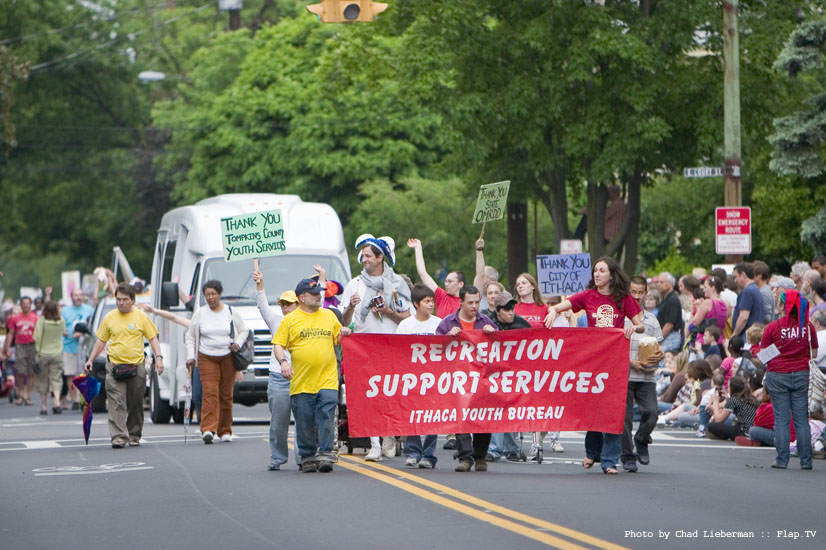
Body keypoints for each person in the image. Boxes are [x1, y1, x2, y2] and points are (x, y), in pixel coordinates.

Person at [544, 257, 644, 475]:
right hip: (593, 361)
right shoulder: (588, 296)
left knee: (614, 410)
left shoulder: (623, 298)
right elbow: (561, 306)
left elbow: (641, 325)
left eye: (601, 270)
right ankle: (592, 451)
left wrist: (632, 329)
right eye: (595, 271)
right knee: (593, 407)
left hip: (615, 362)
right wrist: (553, 311)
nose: (597, 274)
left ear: (611, 274)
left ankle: (609, 460)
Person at [342, 234, 412, 461]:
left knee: (389, 392)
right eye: (363, 256)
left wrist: (387, 311)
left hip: (390, 344)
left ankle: (390, 434)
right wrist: (351, 308)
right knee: (370, 395)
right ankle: (374, 444)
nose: (364, 260)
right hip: (365, 346)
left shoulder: (397, 284)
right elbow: (343, 321)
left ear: (380, 257)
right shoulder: (355, 284)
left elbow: (407, 316)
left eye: (369, 256)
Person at [273, 278, 351, 473]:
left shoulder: (328, 315)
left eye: (319, 292)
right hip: (302, 382)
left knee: (326, 416)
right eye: (314, 293)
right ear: (301, 298)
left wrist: (345, 332)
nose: (318, 296)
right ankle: (308, 456)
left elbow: (338, 340)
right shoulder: (290, 320)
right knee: (305, 420)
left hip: (327, 378)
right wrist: (283, 362)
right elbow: (278, 345)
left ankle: (325, 454)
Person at [85, 283, 163, 448]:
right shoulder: (109, 317)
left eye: (125, 299)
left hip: (136, 365)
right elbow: (101, 340)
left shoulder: (141, 317)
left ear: (133, 300)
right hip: (114, 366)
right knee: (116, 401)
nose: (121, 303)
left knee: (135, 401)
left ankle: (134, 434)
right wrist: (91, 359)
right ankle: (119, 436)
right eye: (118, 299)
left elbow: (153, 338)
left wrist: (159, 358)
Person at [435, 286, 497, 472]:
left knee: (483, 419)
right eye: (470, 302)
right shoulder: (447, 323)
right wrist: (447, 337)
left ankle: (480, 457)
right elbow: (433, 349)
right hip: (457, 380)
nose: (474, 306)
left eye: (477, 302)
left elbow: (501, 349)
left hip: (482, 380)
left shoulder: (486, 321)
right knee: (460, 418)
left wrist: (493, 334)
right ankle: (465, 458)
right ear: (460, 302)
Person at [759, 289, 817, 470]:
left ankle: (782, 460)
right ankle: (806, 461)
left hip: (777, 375)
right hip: (800, 374)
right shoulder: (808, 327)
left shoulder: (773, 327)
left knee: (782, 419)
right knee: (801, 419)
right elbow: (813, 353)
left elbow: (763, 356)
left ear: (783, 305)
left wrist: (780, 350)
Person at [185, 280, 248, 444]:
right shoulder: (199, 313)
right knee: (210, 392)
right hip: (206, 356)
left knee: (226, 394)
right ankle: (208, 429)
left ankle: (225, 430)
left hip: (227, 356)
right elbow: (190, 336)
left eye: (213, 294)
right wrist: (190, 356)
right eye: (207, 295)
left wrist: (238, 344)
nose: (211, 297)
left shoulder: (230, 311)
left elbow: (244, 331)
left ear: (219, 294)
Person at [253, 268, 299, 471]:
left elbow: (320, 301)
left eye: (288, 304)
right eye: (282, 304)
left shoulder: (307, 320)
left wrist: (322, 279)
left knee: (303, 422)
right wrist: (260, 284)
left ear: (299, 304)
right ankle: (277, 457)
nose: (285, 308)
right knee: (279, 422)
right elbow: (262, 306)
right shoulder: (276, 321)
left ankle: (303, 458)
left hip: (301, 376)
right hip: (278, 376)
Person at [621, 276, 664, 473]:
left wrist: (660, 355)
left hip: (646, 376)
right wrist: (631, 362)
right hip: (624, 375)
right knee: (624, 419)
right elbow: (612, 349)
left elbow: (658, 348)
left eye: (640, 292)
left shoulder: (652, 320)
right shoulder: (619, 318)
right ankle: (627, 456)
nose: (636, 296)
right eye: (633, 292)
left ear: (646, 293)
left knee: (652, 413)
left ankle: (642, 438)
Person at [396, 284, 442, 468]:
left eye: (432, 301)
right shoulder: (406, 325)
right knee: (412, 414)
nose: (431, 305)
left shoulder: (439, 323)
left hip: (434, 377)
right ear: (416, 304)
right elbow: (398, 349)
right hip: (412, 377)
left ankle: (429, 455)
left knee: (433, 416)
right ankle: (413, 451)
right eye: (427, 301)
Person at [485, 291, 531, 462]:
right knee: (497, 409)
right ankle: (495, 449)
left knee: (510, 409)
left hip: (514, 374)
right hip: (492, 375)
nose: (511, 312)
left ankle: (512, 449)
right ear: (497, 310)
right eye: (506, 309)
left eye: (512, 308)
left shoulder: (522, 325)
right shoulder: (486, 322)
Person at [407, 237, 465, 319]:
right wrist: (418, 247)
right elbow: (422, 273)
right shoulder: (442, 296)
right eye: (445, 281)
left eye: (450, 281)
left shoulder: (467, 303)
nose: (446, 284)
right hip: (440, 332)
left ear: (460, 284)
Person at [61, 288, 94, 410]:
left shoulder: (89, 309)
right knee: (70, 374)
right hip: (68, 346)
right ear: (71, 297)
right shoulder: (65, 311)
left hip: (85, 346)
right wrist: (62, 330)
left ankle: (83, 398)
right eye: (76, 295)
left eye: (80, 295)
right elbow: (59, 324)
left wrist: (80, 333)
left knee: (84, 374)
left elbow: (92, 326)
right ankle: (74, 399)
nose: (78, 297)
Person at [4, 297, 39, 406]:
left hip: (32, 345)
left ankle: (28, 395)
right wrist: (7, 347)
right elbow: (11, 333)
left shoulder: (35, 318)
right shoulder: (15, 318)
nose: (26, 305)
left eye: (28, 303)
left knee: (30, 372)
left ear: (30, 305)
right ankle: (20, 394)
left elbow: (39, 333)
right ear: (21, 305)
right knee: (19, 371)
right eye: (23, 303)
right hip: (19, 346)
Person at [33, 301, 65, 415]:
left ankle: (43, 406)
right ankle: (56, 402)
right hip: (57, 354)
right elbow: (63, 331)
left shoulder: (42, 321)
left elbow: (36, 337)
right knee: (56, 379)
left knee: (43, 381)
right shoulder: (60, 322)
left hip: (43, 354)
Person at [706, 375, 759, 441]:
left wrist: (715, 401)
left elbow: (719, 419)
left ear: (733, 388)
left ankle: (728, 436)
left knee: (711, 426)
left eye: (728, 387)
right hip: (752, 429)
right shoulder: (751, 398)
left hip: (743, 431)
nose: (727, 389)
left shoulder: (733, 400)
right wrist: (728, 399)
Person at [732, 263, 765, 339]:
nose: (735, 280)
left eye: (736, 277)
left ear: (743, 275)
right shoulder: (755, 289)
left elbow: (743, 317)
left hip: (746, 336)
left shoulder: (747, 291)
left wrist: (734, 335)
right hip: (755, 334)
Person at [655, 272, 683, 353]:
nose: (659, 284)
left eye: (662, 282)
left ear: (671, 284)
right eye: (657, 282)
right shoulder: (666, 299)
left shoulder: (672, 300)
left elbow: (669, 324)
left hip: (671, 337)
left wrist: (658, 340)